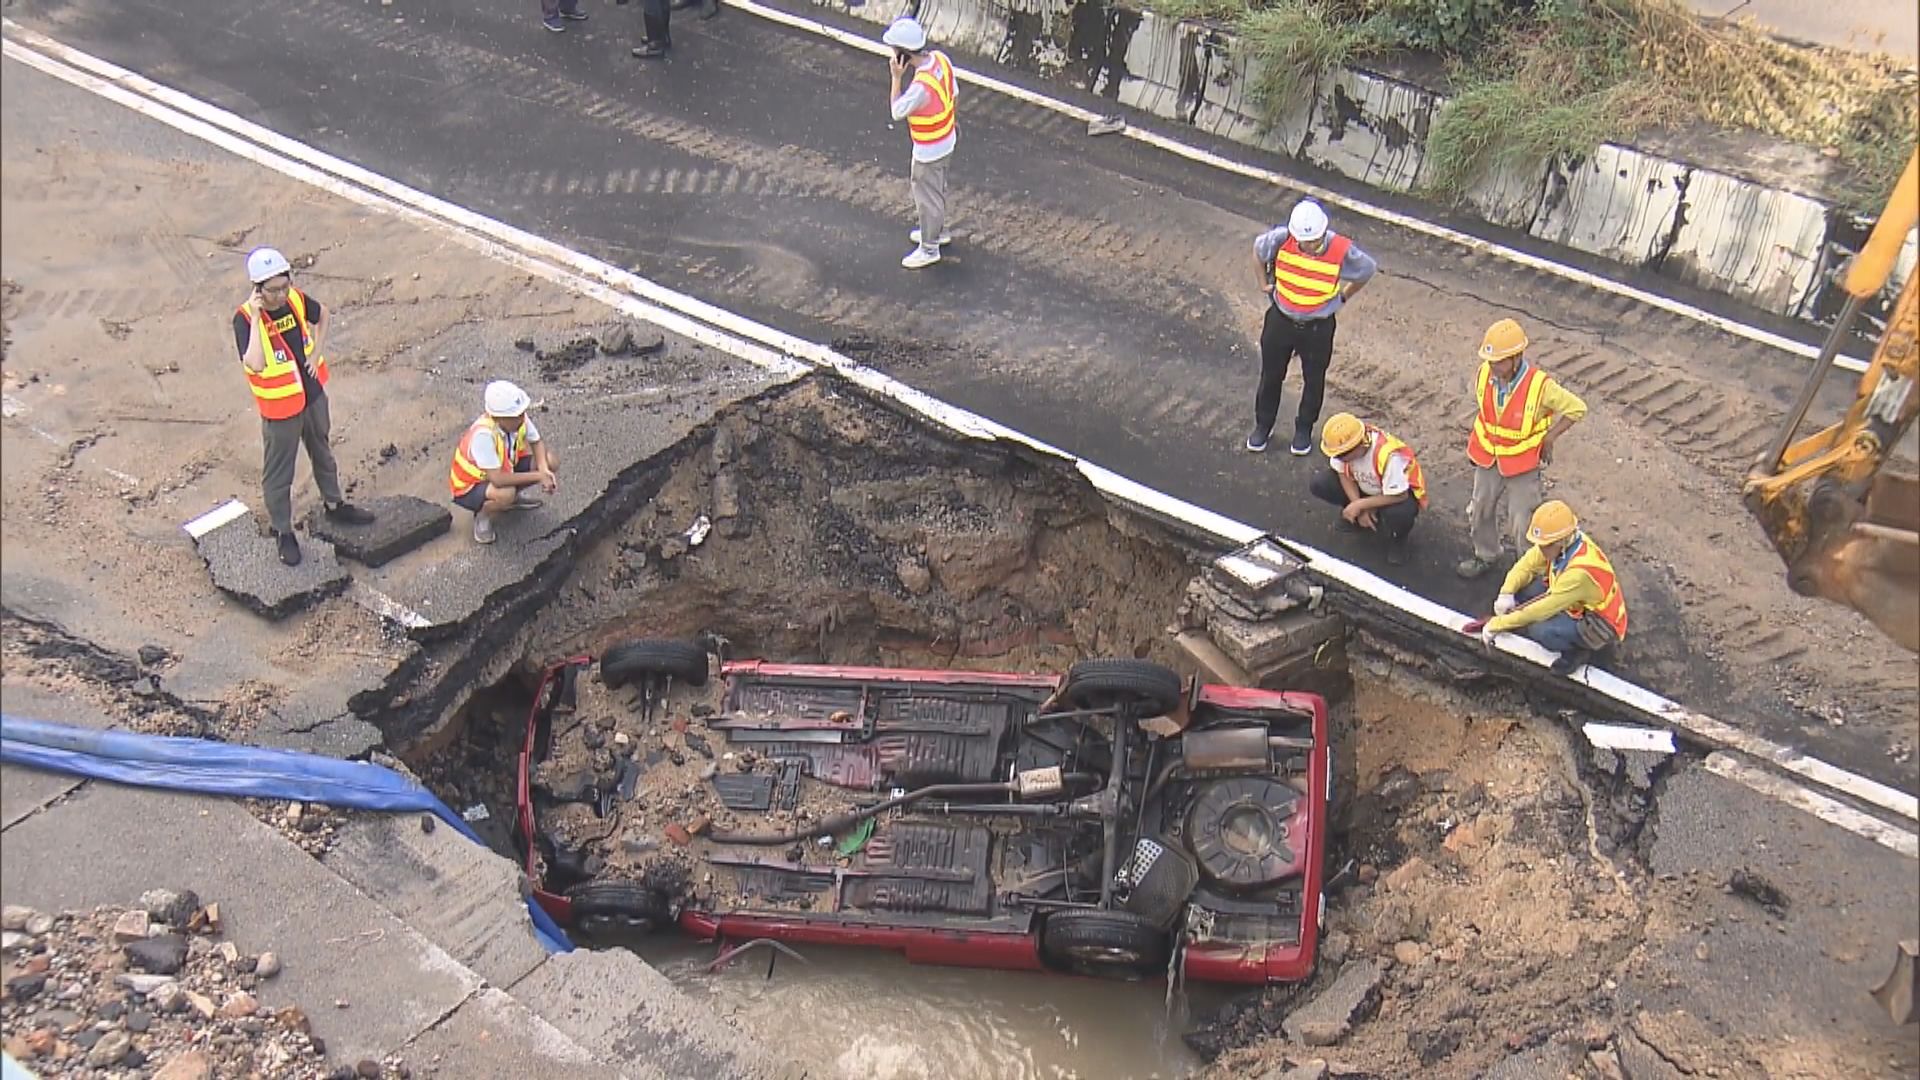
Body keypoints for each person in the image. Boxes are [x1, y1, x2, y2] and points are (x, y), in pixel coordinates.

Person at [233, 246, 374, 567]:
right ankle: (283, 530)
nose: (282, 295)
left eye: (285, 286)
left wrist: (316, 352)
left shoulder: (295, 298)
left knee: (322, 450)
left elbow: (322, 313)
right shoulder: (244, 319)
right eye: (273, 291)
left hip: (311, 395)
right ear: (257, 290)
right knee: (279, 472)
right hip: (280, 409)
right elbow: (254, 362)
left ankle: (335, 505)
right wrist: (257, 318)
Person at [1455, 318, 1587, 579]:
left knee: (1522, 522)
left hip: (1522, 465)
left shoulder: (1541, 387)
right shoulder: (1485, 373)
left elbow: (1577, 408)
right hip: (1489, 459)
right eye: (1491, 361)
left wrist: (1550, 438)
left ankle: (1528, 572)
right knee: (1480, 510)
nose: (1493, 367)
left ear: (1516, 358)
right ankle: (1486, 554)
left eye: (1499, 362)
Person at [1249, 198, 1376, 456]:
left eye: (1314, 240)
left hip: (1318, 328)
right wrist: (1264, 284)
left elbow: (1366, 270)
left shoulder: (1341, 249)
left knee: (1314, 380)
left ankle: (1304, 430)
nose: (1308, 246)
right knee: (1271, 376)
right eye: (1303, 241)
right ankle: (1263, 426)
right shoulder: (1281, 238)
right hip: (1280, 320)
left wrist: (1343, 296)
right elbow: (1257, 252)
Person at [1461, 500, 1628, 675]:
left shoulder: (1579, 573)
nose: (1540, 549)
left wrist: (1499, 623)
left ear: (1561, 542)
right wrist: (1506, 592)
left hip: (1599, 622)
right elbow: (1526, 566)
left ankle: (1577, 651)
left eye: (1545, 545)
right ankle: (1564, 628)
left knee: (1541, 631)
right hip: (1575, 600)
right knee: (1524, 592)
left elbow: (1541, 610)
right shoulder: (1562, 545)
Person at [884, 17, 957, 270]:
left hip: (929, 150)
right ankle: (939, 231)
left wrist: (896, 78)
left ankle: (929, 248)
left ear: (903, 55)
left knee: (927, 198)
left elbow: (897, 110)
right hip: (947, 139)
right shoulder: (941, 60)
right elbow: (954, 94)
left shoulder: (920, 88)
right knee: (937, 190)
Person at [448, 380, 560, 545]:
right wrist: (538, 476)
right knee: (505, 493)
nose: (523, 418)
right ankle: (483, 514)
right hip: (470, 486)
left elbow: (537, 442)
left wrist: (544, 470)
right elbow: (498, 479)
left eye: (522, 413)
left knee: (551, 461)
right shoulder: (483, 435)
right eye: (517, 416)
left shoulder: (518, 418)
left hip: (504, 468)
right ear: (499, 418)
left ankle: (512, 499)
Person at [1309, 412, 1426, 565]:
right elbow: (1343, 473)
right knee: (1321, 483)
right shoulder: (1343, 449)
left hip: (1394, 495)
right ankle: (1358, 519)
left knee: (1400, 514)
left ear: (1358, 446)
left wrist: (1359, 505)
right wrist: (1359, 508)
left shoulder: (1388, 456)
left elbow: (1400, 495)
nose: (1338, 459)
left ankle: (1399, 538)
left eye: (1341, 456)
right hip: (1367, 486)